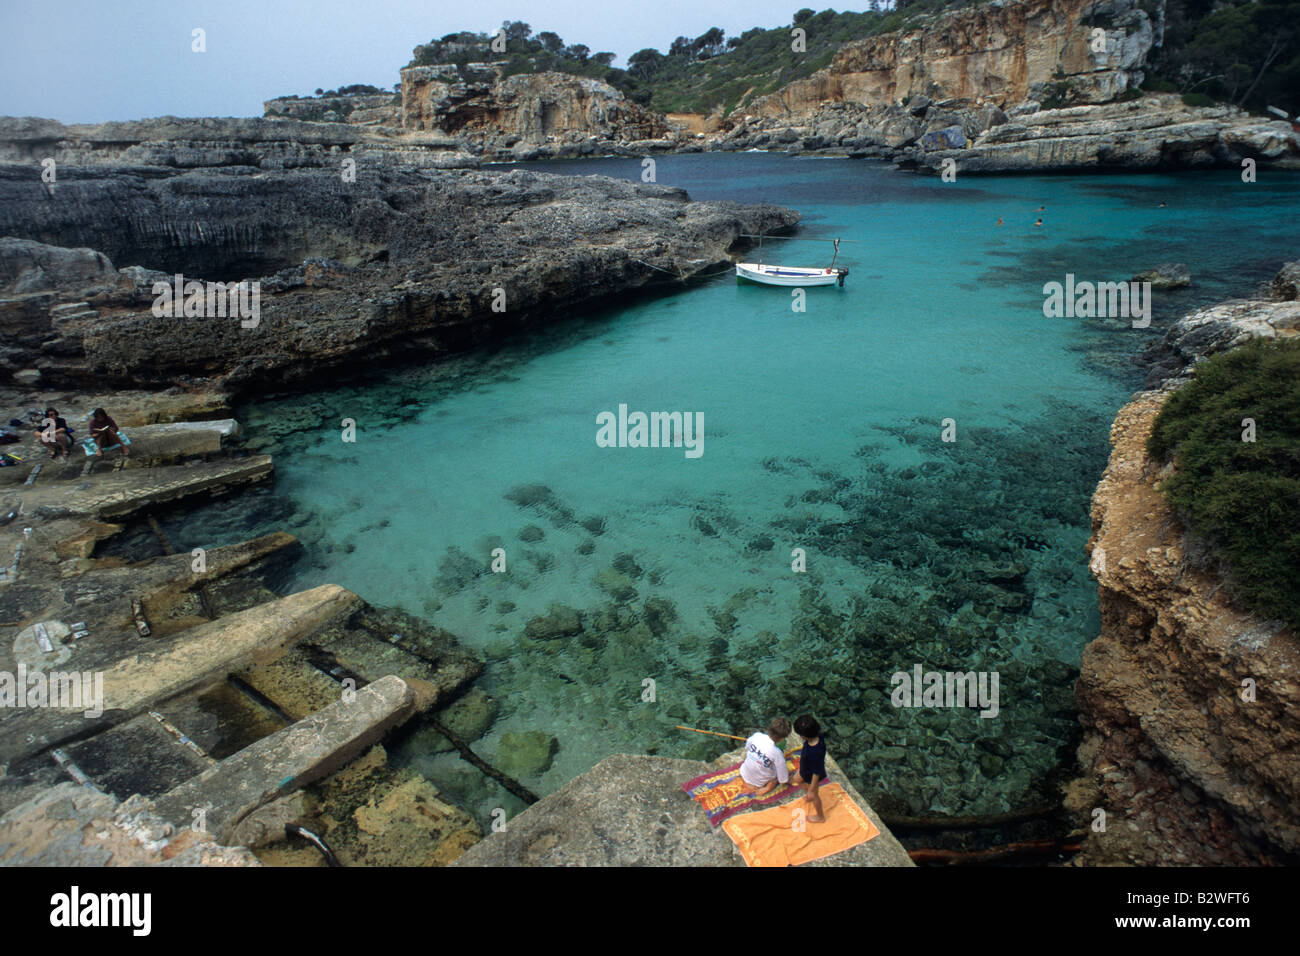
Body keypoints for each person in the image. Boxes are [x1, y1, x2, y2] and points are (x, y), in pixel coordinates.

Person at [738, 717, 791, 797]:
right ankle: (766, 789)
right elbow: (783, 779)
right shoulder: (777, 753)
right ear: (782, 738)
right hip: (758, 783)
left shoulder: (757, 736)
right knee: (776, 777)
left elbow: (747, 747)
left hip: (743, 772)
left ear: (769, 729)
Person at [790, 715, 827, 823]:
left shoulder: (815, 753)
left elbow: (817, 771)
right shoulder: (818, 736)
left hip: (812, 775)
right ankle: (807, 791)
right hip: (805, 768)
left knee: (814, 796)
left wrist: (811, 789)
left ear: (804, 736)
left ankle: (820, 816)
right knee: (797, 779)